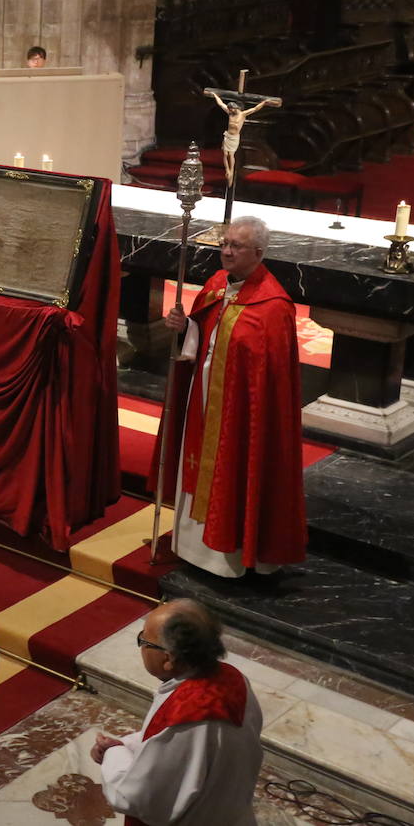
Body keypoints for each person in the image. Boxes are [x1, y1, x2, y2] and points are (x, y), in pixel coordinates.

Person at [158, 216, 306, 577]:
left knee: (234, 468)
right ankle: (192, 548)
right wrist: (186, 327)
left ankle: (227, 558)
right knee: (196, 466)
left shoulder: (274, 306)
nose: (225, 251)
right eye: (224, 243)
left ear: (257, 252)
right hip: (203, 398)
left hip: (240, 412)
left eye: (235, 246)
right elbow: (203, 334)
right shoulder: (216, 285)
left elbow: (268, 378)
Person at [93, 599, 263, 824]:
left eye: (144, 641)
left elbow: (136, 798)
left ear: (169, 658)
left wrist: (113, 754)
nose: (141, 648)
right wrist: (127, 745)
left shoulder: (187, 714)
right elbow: (177, 747)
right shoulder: (232, 677)